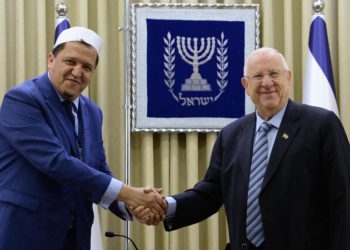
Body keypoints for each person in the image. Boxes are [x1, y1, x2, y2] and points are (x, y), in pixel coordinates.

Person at [132, 47, 350, 250]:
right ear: (246, 85)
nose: (267, 82)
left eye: (274, 74)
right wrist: (164, 206)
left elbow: (343, 196)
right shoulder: (231, 135)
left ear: (288, 77)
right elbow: (209, 194)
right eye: (257, 76)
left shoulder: (321, 124)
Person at [0, 27, 166, 249]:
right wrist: (131, 194)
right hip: (25, 232)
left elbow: (97, 168)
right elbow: (56, 163)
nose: (77, 72)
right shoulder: (22, 100)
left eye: (87, 67)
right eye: (70, 62)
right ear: (51, 60)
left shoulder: (92, 111)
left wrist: (130, 206)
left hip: (76, 235)